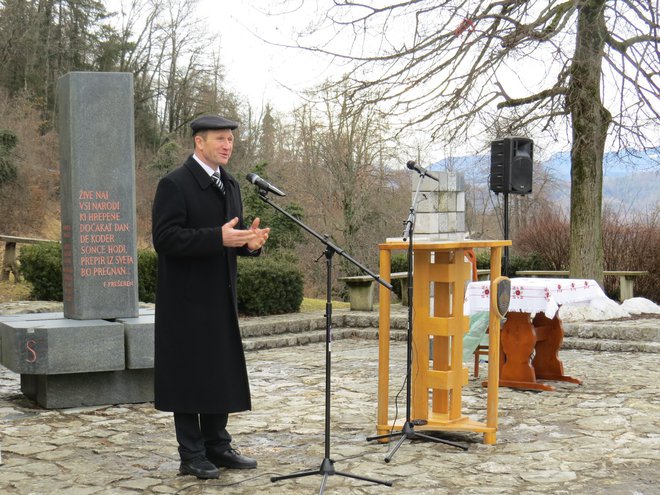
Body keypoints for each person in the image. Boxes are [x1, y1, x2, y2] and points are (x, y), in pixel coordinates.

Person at [151, 114, 270, 479]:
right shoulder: (175, 183)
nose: (227, 145)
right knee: (188, 376)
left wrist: (250, 244)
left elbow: (231, 238)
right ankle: (191, 453)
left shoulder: (230, 184)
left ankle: (217, 445)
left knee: (218, 372)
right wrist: (215, 238)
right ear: (198, 143)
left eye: (230, 140)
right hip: (185, 301)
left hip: (220, 297)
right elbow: (165, 239)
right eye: (220, 139)